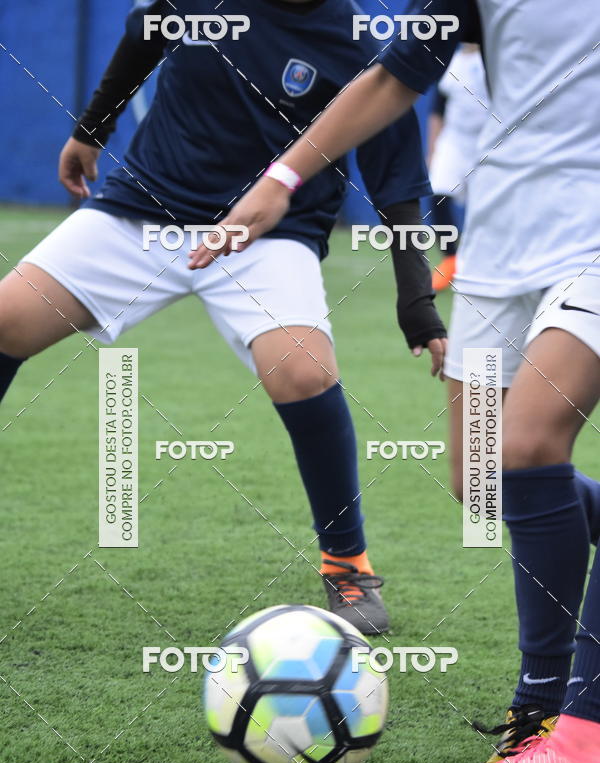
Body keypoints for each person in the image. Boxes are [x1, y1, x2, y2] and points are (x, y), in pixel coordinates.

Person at [191, 0, 600, 763]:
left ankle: (562, 731)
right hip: (501, 240)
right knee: (484, 481)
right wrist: (282, 179)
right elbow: (395, 74)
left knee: (529, 447)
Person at [0, 0, 449, 636]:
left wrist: (417, 301)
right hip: (141, 212)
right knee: (5, 318)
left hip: (270, 234)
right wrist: (91, 130)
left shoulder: (364, 39)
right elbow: (141, 37)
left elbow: (396, 183)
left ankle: (347, 563)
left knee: (304, 373)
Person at [427, 44, 488, 291]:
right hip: (453, 141)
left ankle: (476, 265)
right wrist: (432, 150)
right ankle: (450, 259)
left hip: (486, 143)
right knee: (438, 194)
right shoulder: (450, 62)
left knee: (484, 206)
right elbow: (437, 110)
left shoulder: (492, 60)